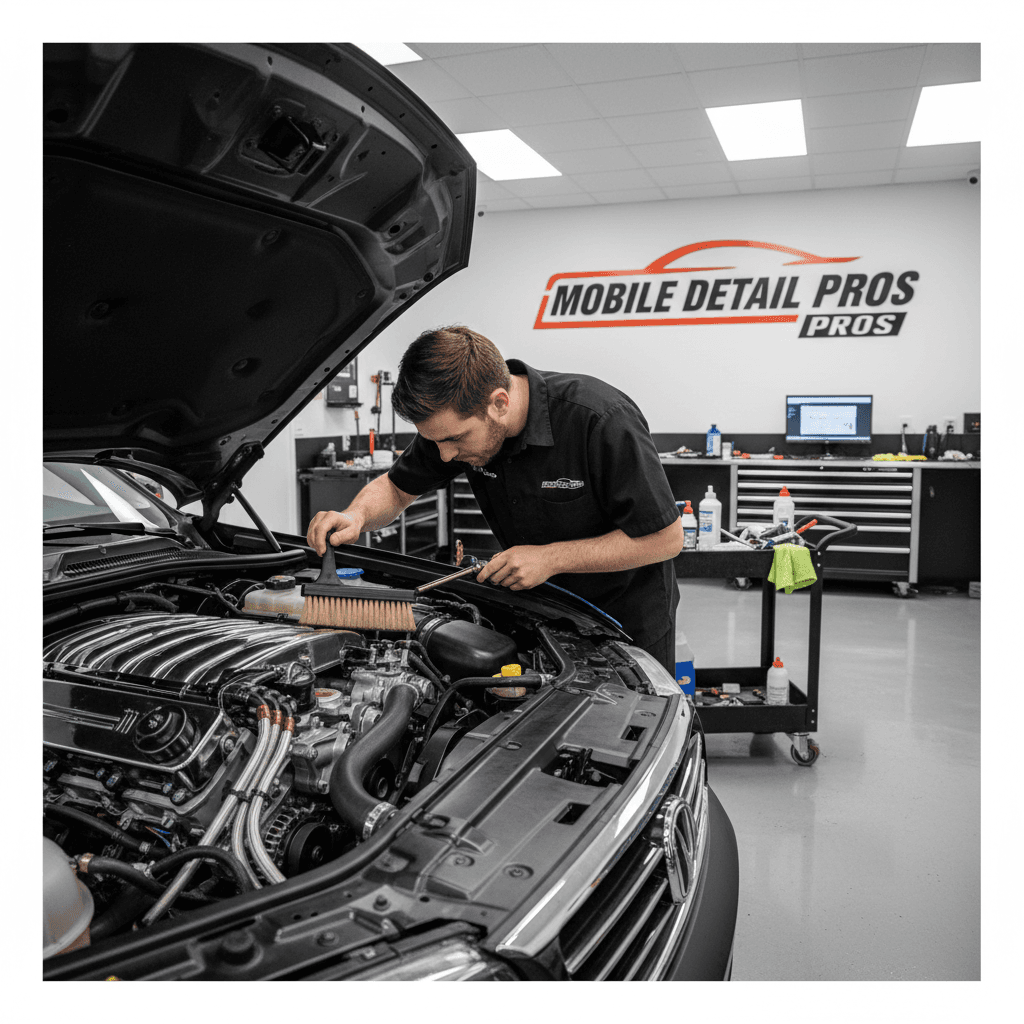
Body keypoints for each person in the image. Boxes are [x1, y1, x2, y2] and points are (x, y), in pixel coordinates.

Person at [306, 326, 682, 672]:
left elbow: (665, 538)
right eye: (437, 442)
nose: (447, 456)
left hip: (624, 625)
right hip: (537, 615)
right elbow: (396, 487)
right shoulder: (450, 424)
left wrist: (550, 558)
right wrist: (356, 515)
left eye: (456, 440)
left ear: (499, 402)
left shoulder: (599, 419)